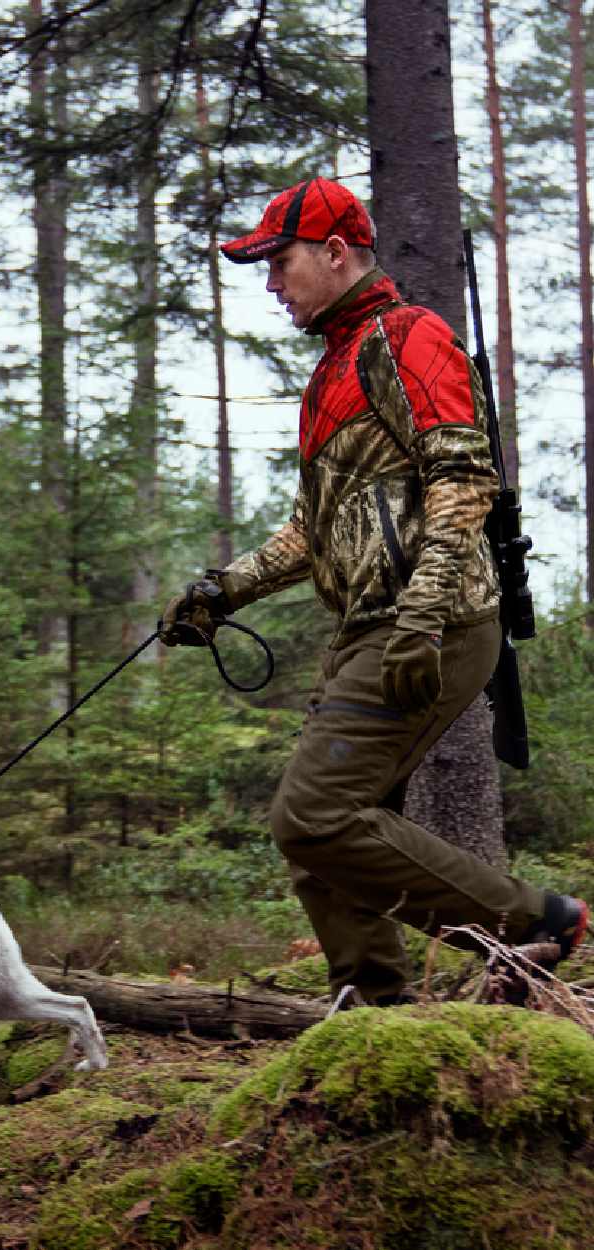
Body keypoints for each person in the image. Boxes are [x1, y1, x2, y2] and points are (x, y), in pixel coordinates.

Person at [161, 177, 587, 1007]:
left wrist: (423, 618)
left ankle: (539, 921)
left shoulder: (408, 338)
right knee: (324, 840)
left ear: (333, 251)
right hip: (372, 626)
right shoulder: (334, 371)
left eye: (278, 263)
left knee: (312, 814)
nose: (271, 284)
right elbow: (311, 531)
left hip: (433, 622)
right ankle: (376, 1010)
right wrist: (223, 592)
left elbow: (465, 479)